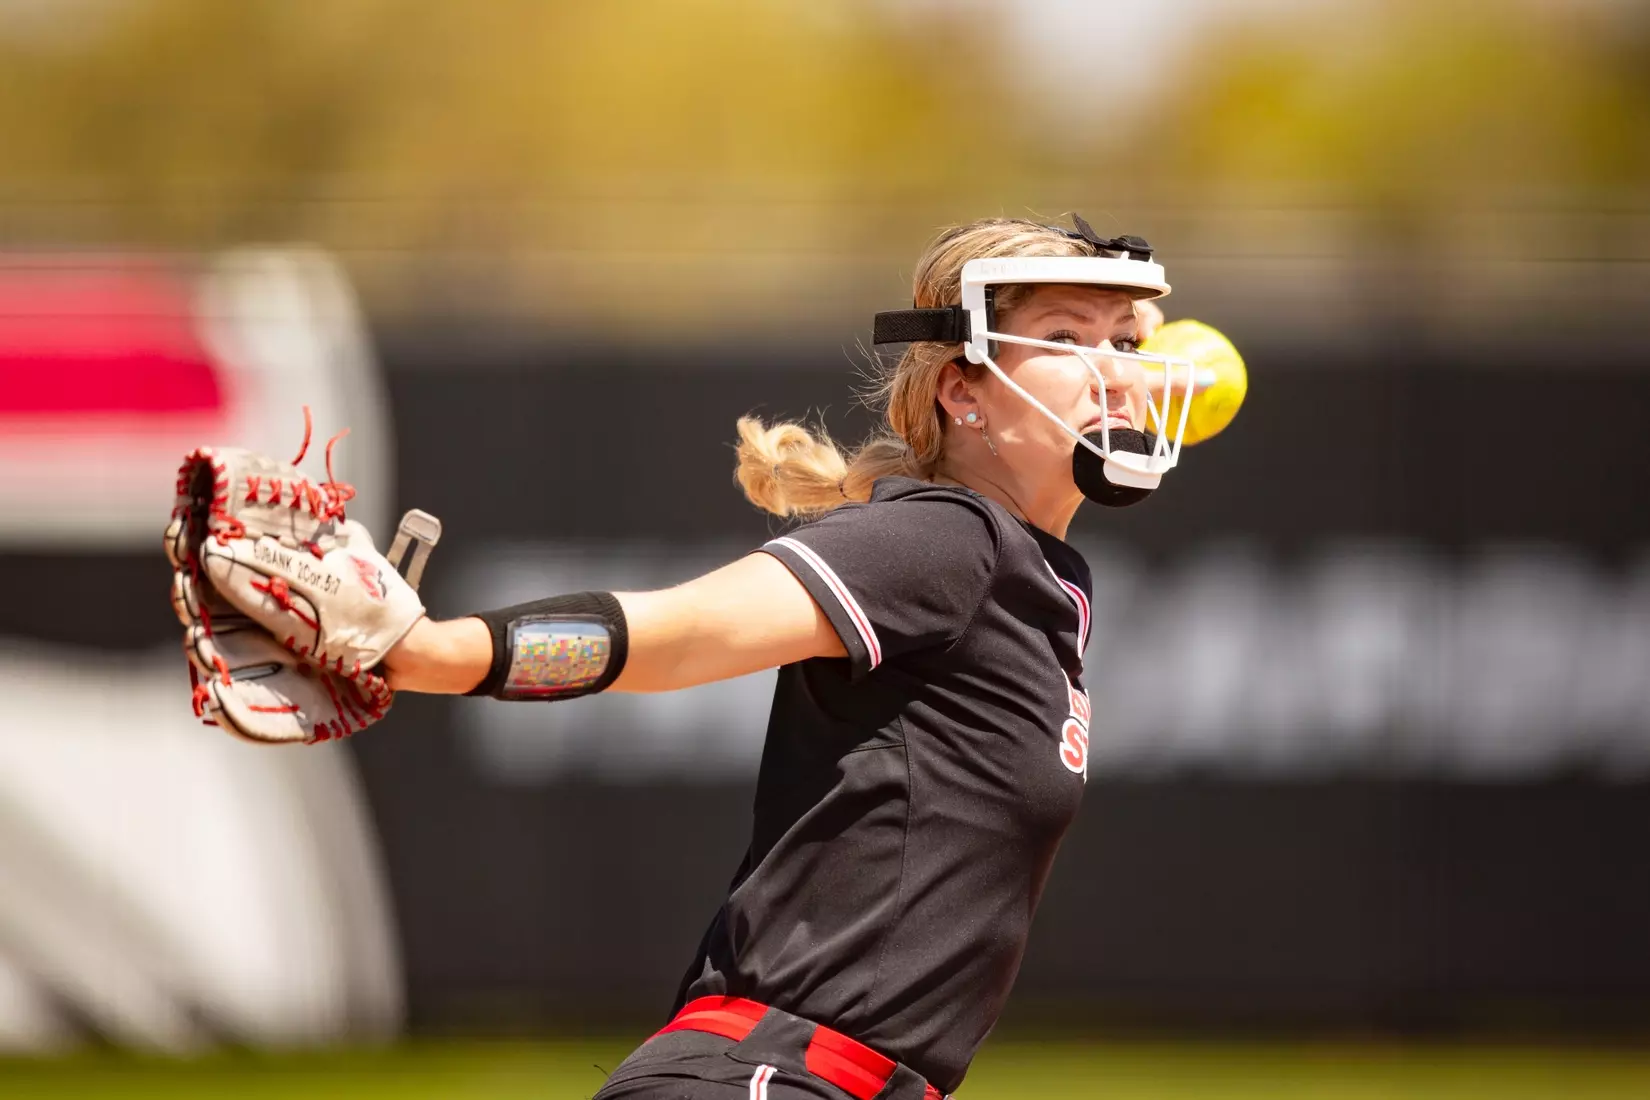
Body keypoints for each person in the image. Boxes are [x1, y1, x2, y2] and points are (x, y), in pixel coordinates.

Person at [383, 215, 1195, 1099]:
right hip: (764, 1080)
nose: (1114, 368)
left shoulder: (1028, 575)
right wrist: (429, 652)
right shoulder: (946, 537)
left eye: (1125, 339)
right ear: (964, 391)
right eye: (1066, 339)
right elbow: (685, 631)